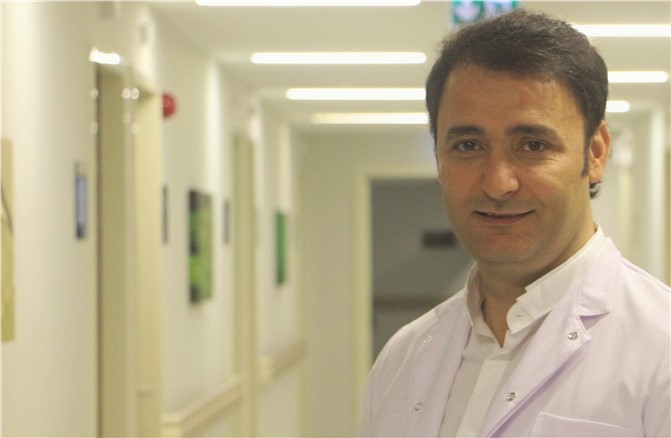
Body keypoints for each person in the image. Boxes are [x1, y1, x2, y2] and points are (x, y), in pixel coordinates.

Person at [358, 9, 670, 438]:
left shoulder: (660, 348)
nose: (498, 183)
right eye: (468, 145)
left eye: (533, 145)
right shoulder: (404, 357)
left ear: (595, 152)